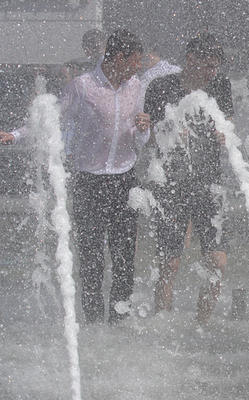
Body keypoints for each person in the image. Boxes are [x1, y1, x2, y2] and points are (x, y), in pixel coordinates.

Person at [144, 32, 233, 324]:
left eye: (216, 66)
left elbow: (227, 126)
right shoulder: (161, 87)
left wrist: (224, 134)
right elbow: (149, 138)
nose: (212, 72)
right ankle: (162, 324)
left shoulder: (220, 86)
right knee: (170, 261)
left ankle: (202, 325)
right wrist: (168, 132)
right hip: (172, 184)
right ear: (190, 60)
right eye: (207, 65)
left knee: (217, 261)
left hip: (209, 183)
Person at [62, 29, 150, 324]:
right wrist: (19, 133)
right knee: (91, 259)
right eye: (135, 61)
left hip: (125, 180)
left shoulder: (135, 86)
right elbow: (55, 118)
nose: (139, 67)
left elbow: (140, 136)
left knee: (125, 258)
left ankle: (118, 322)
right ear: (119, 58)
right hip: (89, 181)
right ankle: (92, 323)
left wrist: (143, 127)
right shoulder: (83, 86)